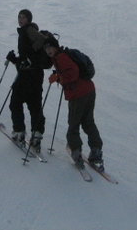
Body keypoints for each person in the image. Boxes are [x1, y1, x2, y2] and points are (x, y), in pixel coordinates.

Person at [44, 37, 104, 170]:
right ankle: (96, 153)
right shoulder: (63, 56)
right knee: (88, 122)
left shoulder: (61, 57)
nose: (48, 50)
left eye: (50, 47)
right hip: (89, 90)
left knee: (74, 124)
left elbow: (73, 73)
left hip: (78, 95)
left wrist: (58, 77)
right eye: (46, 48)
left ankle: (76, 152)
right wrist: (60, 75)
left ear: (56, 46)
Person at [5, 9, 47, 151]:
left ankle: (19, 133)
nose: (20, 19)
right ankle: (36, 136)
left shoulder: (28, 30)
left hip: (27, 77)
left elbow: (41, 40)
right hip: (34, 76)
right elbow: (24, 60)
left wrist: (30, 57)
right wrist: (15, 59)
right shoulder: (25, 32)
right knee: (34, 105)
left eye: (23, 17)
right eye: (19, 16)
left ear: (28, 19)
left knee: (15, 103)